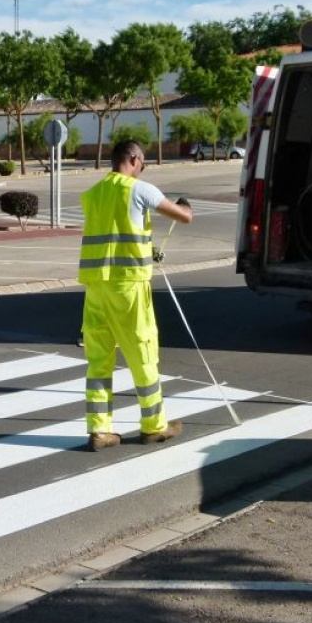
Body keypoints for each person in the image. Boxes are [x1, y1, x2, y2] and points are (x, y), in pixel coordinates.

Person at [78, 140, 194, 451]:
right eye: (142, 165)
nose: (142, 170)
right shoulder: (138, 189)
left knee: (99, 359)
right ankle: (154, 426)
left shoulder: (93, 195)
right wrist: (186, 206)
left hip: (95, 287)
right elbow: (183, 217)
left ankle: (100, 431)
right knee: (143, 354)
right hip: (128, 286)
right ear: (134, 159)